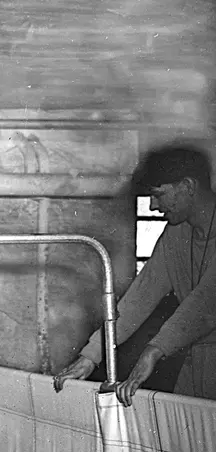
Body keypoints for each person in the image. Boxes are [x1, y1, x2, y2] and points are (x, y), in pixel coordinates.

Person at [53, 144, 216, 405]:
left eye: (158, 195)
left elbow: (206, 303)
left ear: (187, 186)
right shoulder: (176, 235)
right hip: (196, 368)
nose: (153, 205)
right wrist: (91, 356)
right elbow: (139, 298)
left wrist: (154, 350)